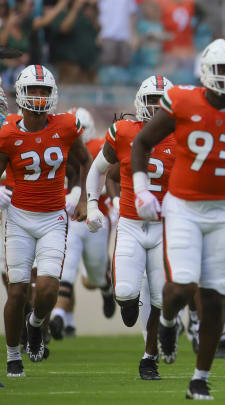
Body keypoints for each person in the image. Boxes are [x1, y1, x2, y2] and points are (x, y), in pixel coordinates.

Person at [130, 39, 225, 400]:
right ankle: (167, 323)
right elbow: (142, 143)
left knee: (214, 298)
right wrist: (141, 188)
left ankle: (200, 378)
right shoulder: (182, 99)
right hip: (183, 206)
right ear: (206, 70)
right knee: (181, 287)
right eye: (222, 68)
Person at [2, 64, 92, 377]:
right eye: (33, 90)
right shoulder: (8, 132)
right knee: (16, 292)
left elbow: (85, 161)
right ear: (21, 94)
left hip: (54, 216)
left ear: (53, 95)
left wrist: (82, 198)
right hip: (20, 218)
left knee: (48, 289)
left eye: (44, 91)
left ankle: (37, 324)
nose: (39, 97)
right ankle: (14, 355)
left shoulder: (67, 126)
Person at [85, 75, 175, 380]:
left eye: (162, 101)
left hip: (165, 227)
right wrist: (93, 204)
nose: (156, 107)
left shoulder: (186, 136)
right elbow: (97, 171)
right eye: (152, 100)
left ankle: (149, 358)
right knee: (125, 293)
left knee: (161, 299)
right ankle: (125, 303)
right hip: (131, 224)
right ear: (140, 102)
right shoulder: (123, 131)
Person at [49, 107, 115, 341]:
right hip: (69, 219)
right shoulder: (58, 147)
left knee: (92, 280)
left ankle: (106, 286)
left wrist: (112, 197)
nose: (78, 135)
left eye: (82, 130)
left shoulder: (98, 147)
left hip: (96, 219)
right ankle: (58, 316)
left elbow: (114, 173)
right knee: (66, 267)